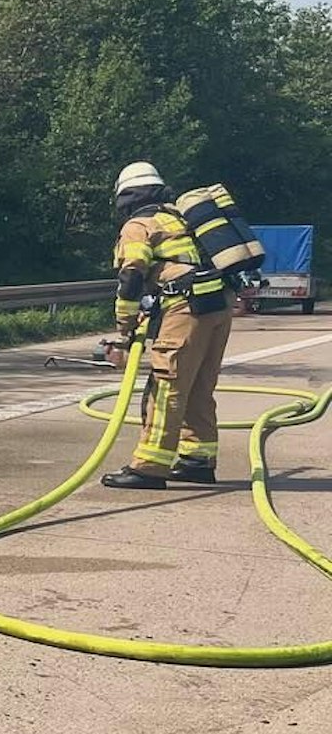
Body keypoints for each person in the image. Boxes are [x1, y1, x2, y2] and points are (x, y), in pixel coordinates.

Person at [99, 161, 231, 490]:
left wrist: (125, 327)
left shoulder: (139, 225)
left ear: (126, 197)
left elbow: (131, 276)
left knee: (166, 387)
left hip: (186, 307)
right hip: (217, 306)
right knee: (199, 387)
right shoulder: (183, 218)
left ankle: (149, 468)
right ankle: (198, 460)